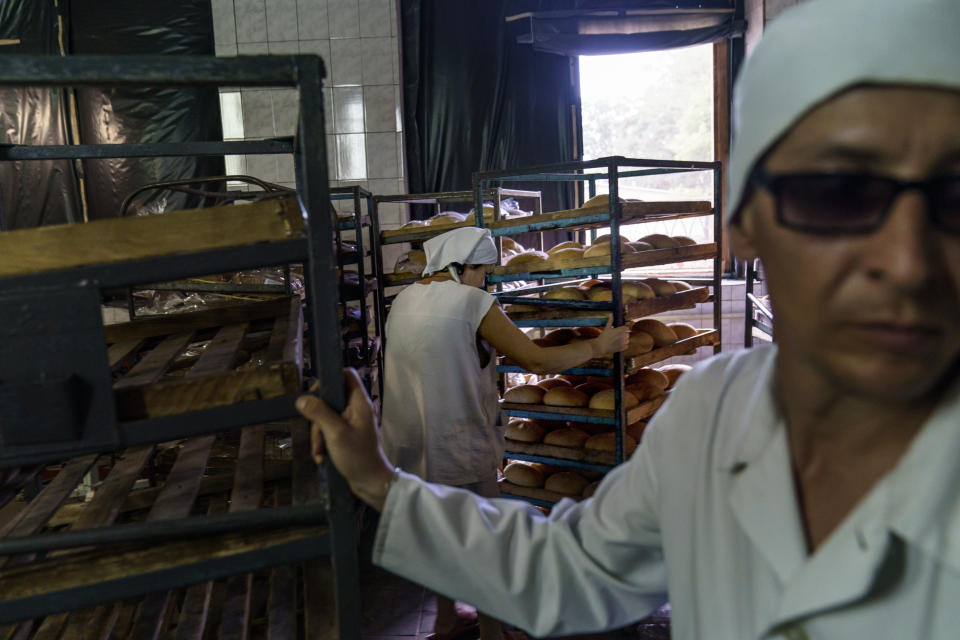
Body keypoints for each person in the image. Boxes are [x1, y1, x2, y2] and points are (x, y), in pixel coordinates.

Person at [297, 0, 960, 637]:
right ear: (744, 227)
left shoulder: (427, 298)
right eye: (839, 192)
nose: (905, 260)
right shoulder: (713, 414)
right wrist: (378, 482)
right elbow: (572, 570)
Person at [376, 225, 629, 640]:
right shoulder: (472, 301)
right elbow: (536, 361)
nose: (486, 280)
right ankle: (493, 633)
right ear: (463, 267)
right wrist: (600, 346)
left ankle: (445, 620)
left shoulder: (404, 300)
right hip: (456, 440)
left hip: (406, 442)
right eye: (484, 272)